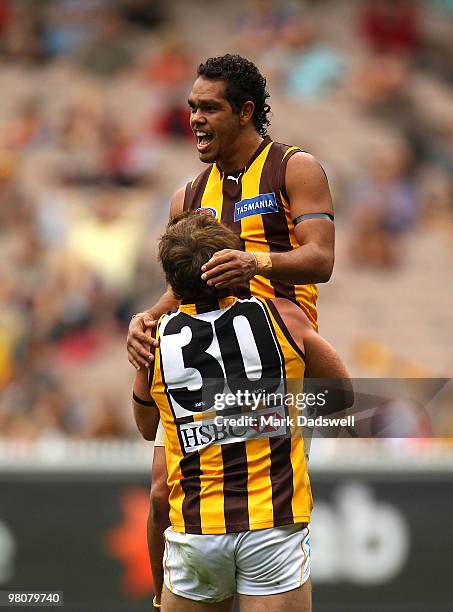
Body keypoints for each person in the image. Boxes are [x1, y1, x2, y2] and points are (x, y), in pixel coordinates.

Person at [126, 54, 335, 606]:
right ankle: (165, 601)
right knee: (159, 492)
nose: (195, 118)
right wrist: (146, 319)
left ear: (245, 112)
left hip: (274, 357)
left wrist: (257, 264)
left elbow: (321, 260)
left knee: (265, 502)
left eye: (209, 107)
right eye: (191, 106)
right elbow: (181, 286)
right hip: (204, 357)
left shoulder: (294, 168)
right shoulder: (187, 198)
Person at [132, 212, 351, 612]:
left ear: (173, 280)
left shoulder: (155, 340)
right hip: (272, 521)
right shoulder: (283, 315)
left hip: (197, 529)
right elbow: (341, 394)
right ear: (232, 263)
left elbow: (148, 427)